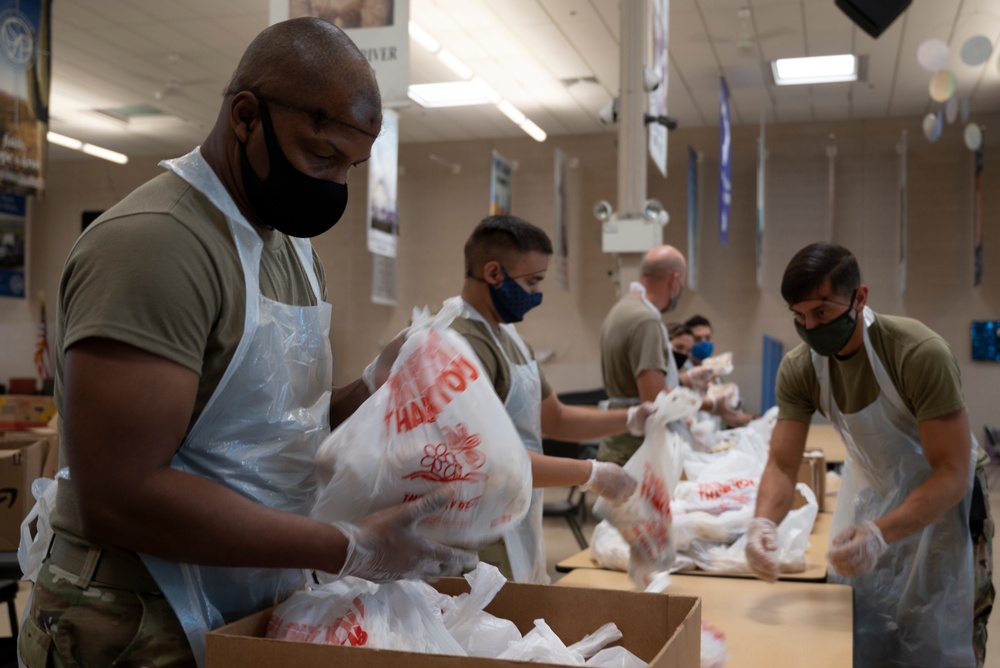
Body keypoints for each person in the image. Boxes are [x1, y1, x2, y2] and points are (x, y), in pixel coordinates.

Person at [21, 18, 476, 667]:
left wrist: (373, 388)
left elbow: (271, 435)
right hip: (132, 617)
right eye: (321, 157)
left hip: (247, 593)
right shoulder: (155, 246)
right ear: (245, 117)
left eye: (349, 165)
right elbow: (120, 495)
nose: (335, 184)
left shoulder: (291, 251)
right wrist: (346, 545)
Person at [745, 242, 994, 667]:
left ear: (860, 298)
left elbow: (951, 472)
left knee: (934, 631)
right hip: (875, 489)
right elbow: (783, 464)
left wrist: (880, 533)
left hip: (947, 504)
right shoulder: (802, 368)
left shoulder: (916, 353)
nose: (809, 326)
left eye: (821, 313)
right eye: (799, 316)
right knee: (865, 626)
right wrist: (763, 522)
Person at [450, 215, 645, 583]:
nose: (537, 293)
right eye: (532, 281)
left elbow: (555, 419)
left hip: (518, 513)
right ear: (493, 273)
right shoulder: (461, 344)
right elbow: (488, 460)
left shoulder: (508, 339)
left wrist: (632, 416)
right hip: (475, 530)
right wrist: (590, 473)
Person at [597, 245, 752, 465]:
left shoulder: (622, 310)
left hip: (621, 442)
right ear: (675, 281)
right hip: (636, 449)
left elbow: (633, 380)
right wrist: (709, 404)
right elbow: (655, 398)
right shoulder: (646, 321)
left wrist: (684, 380)